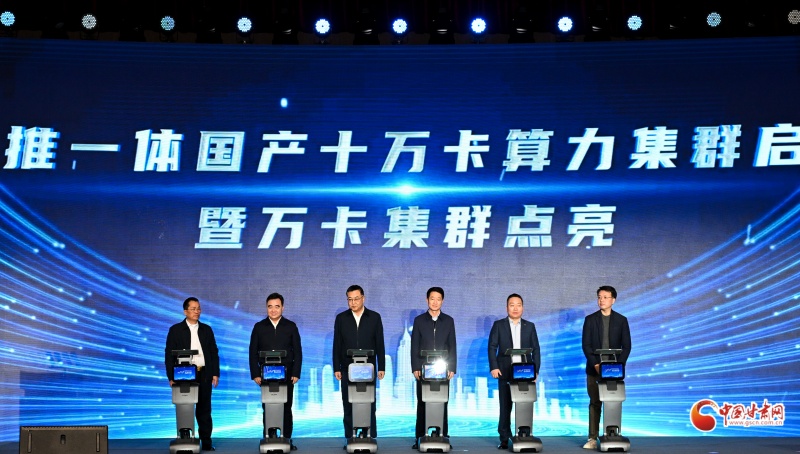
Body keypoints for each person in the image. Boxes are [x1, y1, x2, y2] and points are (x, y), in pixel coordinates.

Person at [165, 297, 220, 452]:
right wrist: (171, 376)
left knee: (204, 410)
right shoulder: (175, 330)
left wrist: (215, 373)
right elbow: (169, 355)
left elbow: (213, 352)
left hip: (204, 374)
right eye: (193, 309)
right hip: (184, 374)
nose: (197, 311)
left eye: (198, 308)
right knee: (185, 408)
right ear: (185, 311)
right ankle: (185, 439)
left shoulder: (206, 329)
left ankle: (206, 442)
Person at [332, 284, 386, 444]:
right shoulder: (341, 318)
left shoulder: (374, 317)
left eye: (356, 299)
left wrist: (381, 366)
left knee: (369, 401)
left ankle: (370, 434)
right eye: (350, 299)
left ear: (363, 298)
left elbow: (380, 343)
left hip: (368, 368)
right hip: (347, 367)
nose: (353, 302)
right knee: (348, 402)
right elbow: (337, 344)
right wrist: (336, 367)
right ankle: (350, 436)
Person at [249, 292, 302, 450]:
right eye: (270, 307)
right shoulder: (259, 327)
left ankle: (286, 438)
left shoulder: (290, 326)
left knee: (286, 407)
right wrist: (255, 374)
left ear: (282, 308)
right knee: (268, 407)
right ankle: (269, 436)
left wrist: (296, 373)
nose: (273, 310)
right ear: (266, 308)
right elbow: (252, 352)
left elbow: (298, 351)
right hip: (266, 375)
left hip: (287, 375)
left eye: (277, 306)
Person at [488, 293, 541, 450]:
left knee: (524, 403)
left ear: (522, 308)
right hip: (505, 370)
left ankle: (524, 433)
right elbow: (492, 347)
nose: (515, 308)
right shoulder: (499, 325)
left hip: (525, 371)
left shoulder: (529, 326)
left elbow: (536, 349)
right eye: (512, 305)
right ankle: (505, 437)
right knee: (505, 406)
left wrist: (536, 370)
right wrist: (494, 366)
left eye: (518, 305)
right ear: (507, 308)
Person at [581, 285, 631, 450]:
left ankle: (613, 435)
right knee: (595, 402)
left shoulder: (621, 320)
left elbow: (627, 346)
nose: (601, 300)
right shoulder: (590, 320)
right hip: (594, 368)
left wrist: (618, 366)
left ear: (613, 300)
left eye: (605, 297)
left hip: (614, 370)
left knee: (613, 402)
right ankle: (592, 438)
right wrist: (595, 364)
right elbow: (586, 345)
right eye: (599, 297)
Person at [410, 287, 457, 448]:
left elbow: (452, 345)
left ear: (442, 301)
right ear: (427, 300)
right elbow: (414, 345)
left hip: (442, 368)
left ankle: (443, 435)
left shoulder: (449, 320)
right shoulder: (419, 320)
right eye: (432, 298)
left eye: (438, 299)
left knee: (442, 401)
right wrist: (415, 367)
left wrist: (452, 367)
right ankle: (419, 436)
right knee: (422, 402)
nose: (435, 302)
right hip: (424, 368)